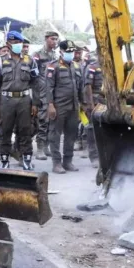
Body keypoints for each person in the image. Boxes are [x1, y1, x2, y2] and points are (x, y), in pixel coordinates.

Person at [0, 31, 39, 170]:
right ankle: (4, 160)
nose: (18, 45)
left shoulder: (30, 60)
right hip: (6, 100)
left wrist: (35, 103)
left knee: (25, 130)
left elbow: (36, 83)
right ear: (8, 44)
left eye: (19, 42)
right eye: (15, 42)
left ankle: (26, 160)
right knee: (5, 131)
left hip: (24, 100)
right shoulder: (0, 61)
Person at [46, 40, 83, 173]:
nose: (71, 54)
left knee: (71, 134)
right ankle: (57, 163)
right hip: (58, 106)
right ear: (61, 51)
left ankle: (68, 161)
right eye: (68, 51)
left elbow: (81, 88)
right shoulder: (53, 66)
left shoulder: (77, 66)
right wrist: (50, 105)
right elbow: (48, 87)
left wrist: (83, 104)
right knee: (55, 135)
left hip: (73, 107)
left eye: (72, 51)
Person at [32, 31, 59, 160]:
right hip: (41, 92)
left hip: (52, 92)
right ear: (46, 39)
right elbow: (33, 76)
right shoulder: (38, 55)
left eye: (56, 39)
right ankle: (40, 148)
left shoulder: (55, 55)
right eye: (52, 39)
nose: (55, 41)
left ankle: (47, 145)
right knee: (42, 121)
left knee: (51, 120)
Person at [82, 46, 105, 168]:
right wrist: (90, 104)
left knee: (105, 129)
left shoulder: (110, 68)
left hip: (107, 101)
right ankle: (94, 156)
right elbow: (87, 86)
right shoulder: (92, 67)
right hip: (95, 100)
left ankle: (104, 156)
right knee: (92, 129)